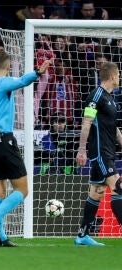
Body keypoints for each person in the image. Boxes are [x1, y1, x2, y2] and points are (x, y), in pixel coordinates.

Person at [0, 51, 50, 247]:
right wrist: (37, 72)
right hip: (4, 141)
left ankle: (1, 237)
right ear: (8, 66)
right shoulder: (3, 82)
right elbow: (21, 82)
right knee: (23, 189)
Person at [74, 62, 122, 246]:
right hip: (100, 152)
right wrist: (81, 149)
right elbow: (87, 123)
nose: (119, 78)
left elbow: (113, 128)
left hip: (109, 151)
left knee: (97, 193)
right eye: (118, 74)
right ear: (112, 76)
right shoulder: (95, 96)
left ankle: (82, 235)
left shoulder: (111, 98)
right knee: (118, 188)